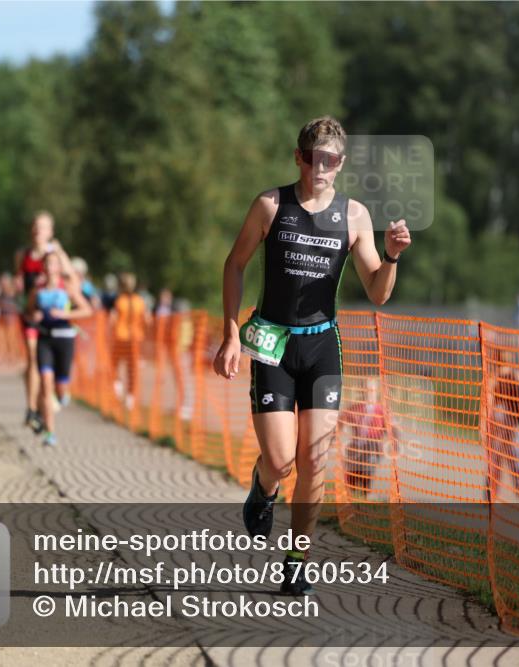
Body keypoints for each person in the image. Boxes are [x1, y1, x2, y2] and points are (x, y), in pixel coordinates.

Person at [212, 116, 412, 595]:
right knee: (282, 460)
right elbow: (235, 264)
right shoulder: (270, 205)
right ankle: (264, 486)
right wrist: (230, 333)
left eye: (330, 161)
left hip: (322, 347)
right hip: (273, 345)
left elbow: (378, 292)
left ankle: (297, 560)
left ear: (340, 164)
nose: (320, 169)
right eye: (312, 158)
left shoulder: (354, 216)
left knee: (315, 460)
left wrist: (391, 257)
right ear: (298, 158)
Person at [15, 211, 76, 432]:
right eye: (34, 226)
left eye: (41, 227)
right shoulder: (23, 254)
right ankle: (31, 408)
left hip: (53, 320)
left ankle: (42, 409)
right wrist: (24, 300)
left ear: (50, 231)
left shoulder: (55, 253)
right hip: (32, 314)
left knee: (42, 367)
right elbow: (19, 284)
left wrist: (59, 254)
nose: (36, 231)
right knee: (33, 358)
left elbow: (71, 277)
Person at [25, 251, 92, 446]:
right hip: (44, 338)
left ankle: (62, 395)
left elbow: (87, 310)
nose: (49, 267)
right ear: (43, 267)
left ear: (59, 267)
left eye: (53, 264)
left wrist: (64, 314)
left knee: (60, 387)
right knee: (46, 383)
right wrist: (34, 316)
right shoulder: (37, 290)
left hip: (64, 338)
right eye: (46, 264)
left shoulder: (67, 288)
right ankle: (50, 433)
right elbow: (28, 312)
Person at [486, 359, 519, 502]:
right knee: (499, 457)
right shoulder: (499, 376)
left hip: (512, 422)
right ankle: (492, 491)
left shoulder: (514, 376)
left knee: (512, 456)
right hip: (503, 421)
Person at [110, 272, 151, 410]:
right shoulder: (140, 301)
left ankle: (118, 385)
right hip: (135, 339)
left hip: (120, 337)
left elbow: (113, 320)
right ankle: (130, 396)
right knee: (132, 368)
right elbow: (147, 320)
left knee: (114, 364)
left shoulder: (119, 301)